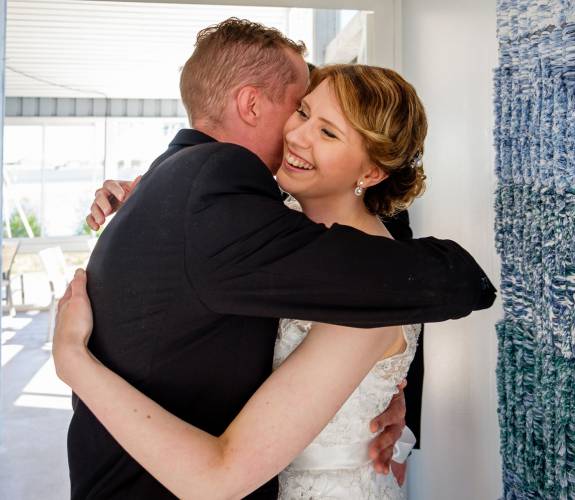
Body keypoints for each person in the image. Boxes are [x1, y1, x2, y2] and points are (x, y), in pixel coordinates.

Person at [63, 18, 495, 500]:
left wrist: (73, 361)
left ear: (372, 172)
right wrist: (156, 204)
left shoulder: (368, 279)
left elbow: (396, 289)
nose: (297, 134)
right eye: (302, 110)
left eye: (327, 131)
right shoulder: (253, 212)